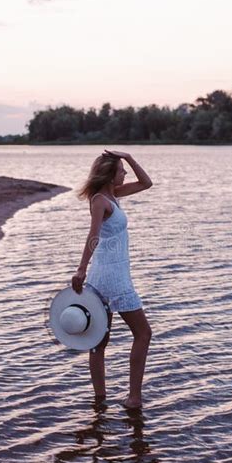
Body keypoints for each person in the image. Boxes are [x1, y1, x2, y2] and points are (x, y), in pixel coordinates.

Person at [72, 150, 153, 409]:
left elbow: (146, 183)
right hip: (112, 277)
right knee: (143, 333)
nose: (125, 173)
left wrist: (128, 157)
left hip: (106, 274)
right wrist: (81, 269)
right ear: (110, 175)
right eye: (121, 170)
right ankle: (134, 398)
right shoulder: (101, 201)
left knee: (99, 341)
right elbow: (93, 236)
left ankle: (100, 401)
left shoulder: (113, 195)